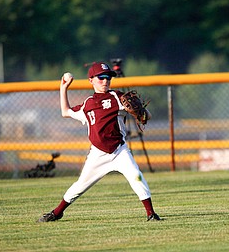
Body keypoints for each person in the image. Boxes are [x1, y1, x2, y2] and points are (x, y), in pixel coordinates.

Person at [38, 62, 160, 222]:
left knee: (136, 176)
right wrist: (64, 88)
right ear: (91, 80)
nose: (105, 80)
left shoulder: (118, 97)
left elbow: (147, 117)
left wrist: (141, 112)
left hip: (119, 151)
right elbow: (65, 112)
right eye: (101, 77)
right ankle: (57, 212)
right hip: (98, 153)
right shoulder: (87, 104)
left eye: (108, 77)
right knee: (80, 185)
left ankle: (151, 214)